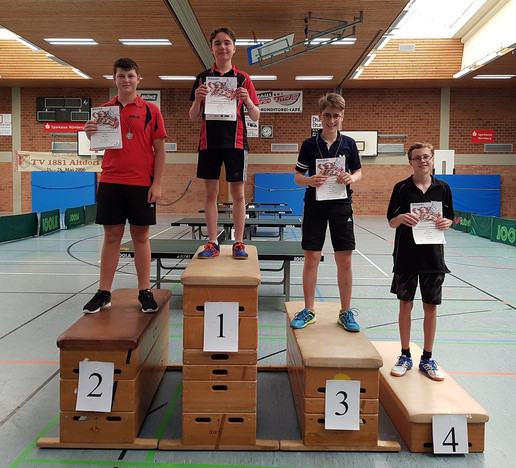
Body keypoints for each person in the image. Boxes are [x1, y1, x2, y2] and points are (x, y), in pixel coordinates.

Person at [82, 57, 167, 314]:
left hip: (141, 183)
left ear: (138, 79)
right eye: (121, 75)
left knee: (141, 237)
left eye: (130, 75)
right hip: (110, 181)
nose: (126, 80)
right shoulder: (103, 112)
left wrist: (157, 184)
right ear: (114, 79)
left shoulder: (151, 111)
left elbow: (160, 150)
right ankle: (103, 292)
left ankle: (144, 291)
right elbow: (97, 145)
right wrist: (90, 133)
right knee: (111, 237)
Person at [290, 93, 362, 332]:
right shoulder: (309, 145)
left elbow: (359, 172)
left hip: (341, 206)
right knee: (311, 258)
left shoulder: (349, 143)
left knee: (345, 260)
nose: (331, 120)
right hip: (315, 205)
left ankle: (345, 312)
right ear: (320, 116)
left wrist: (351, 177)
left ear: (342, 117)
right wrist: (309, 180)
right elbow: (297, 177)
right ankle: (309, 310)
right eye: (327, 115)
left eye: (336, 116)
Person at [189, 27, 260, 259]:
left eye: (227, 42)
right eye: (217, 43)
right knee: (210, 193)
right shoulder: (202, 78)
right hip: (208, 143)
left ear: (234, 48)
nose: (222, 47)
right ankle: (212, 242)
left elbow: (256, 115)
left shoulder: (243, 78)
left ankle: (239, 242)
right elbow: (193, 116)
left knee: (238, 194)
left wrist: (248, 100)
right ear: (212, 48)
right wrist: (197, 99)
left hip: (236, 143)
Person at [387, 142, 454, 381]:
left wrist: (447, 222)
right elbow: (391, 221)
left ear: (433, 159)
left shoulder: (443, 188)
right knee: (405, 305)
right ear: (410, 162)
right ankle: (405, 355)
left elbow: (450, 217)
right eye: (417, 158)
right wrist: (401, 218)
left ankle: (427, 358)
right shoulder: (401, 188)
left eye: (426, 157)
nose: (422, 161)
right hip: (406, 255)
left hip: (433, 257)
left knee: (430, 307)